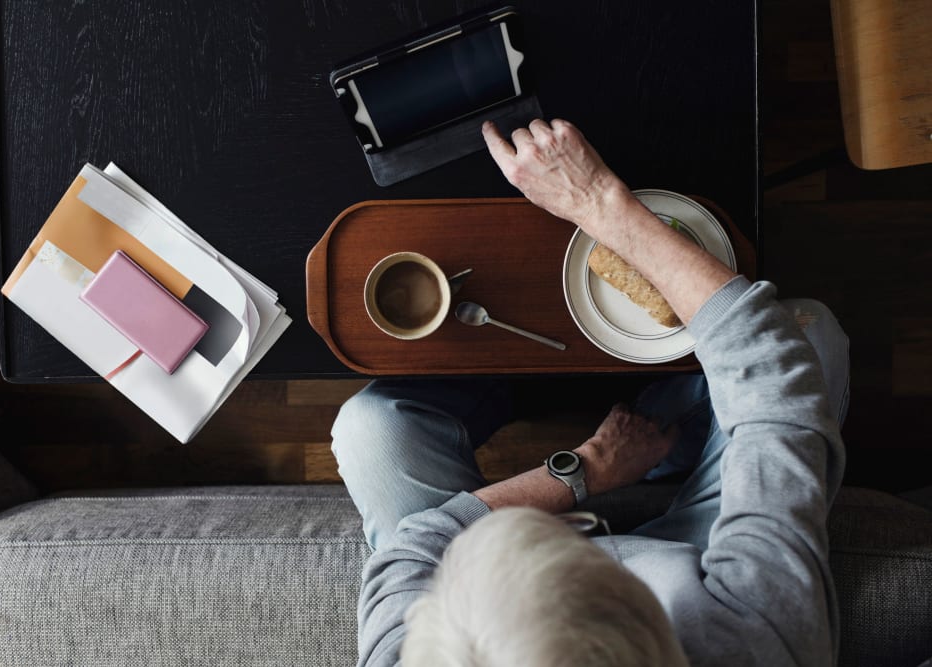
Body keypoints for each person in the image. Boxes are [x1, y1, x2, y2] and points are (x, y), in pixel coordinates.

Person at [331, 118, 849, 666]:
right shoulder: (758, 642)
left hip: (516, 556)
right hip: (690, 553)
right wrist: (597, 200)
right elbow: (772, 382)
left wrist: (587, 469)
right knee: (809, 333)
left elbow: (418, 543)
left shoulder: (414, 653)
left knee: (371, 427)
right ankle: (666, 447)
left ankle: (533, 390)